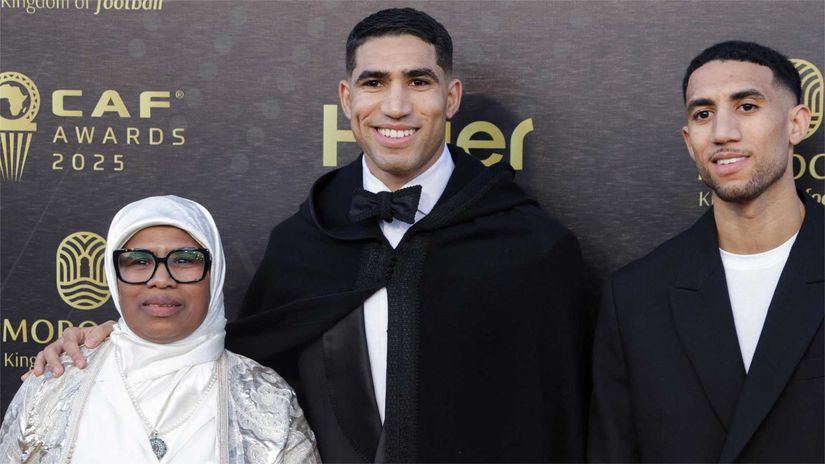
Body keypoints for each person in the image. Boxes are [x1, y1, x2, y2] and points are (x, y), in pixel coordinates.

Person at [33, 8, 591, 463]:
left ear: (451, 97)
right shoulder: (302, 243)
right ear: (347, 99)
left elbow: (569, 412)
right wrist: (112, 341)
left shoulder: (533, 247)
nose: (395, 105)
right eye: (375, 82)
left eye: (418, 82)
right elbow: (225, 372)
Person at [588, 40, 823, 462]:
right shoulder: (636, 298)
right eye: (703, 114)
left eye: (747, 107)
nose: (722, 133)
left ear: (797, 123)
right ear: (687, 139)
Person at [2, 195, 319, 463]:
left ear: (216, 273)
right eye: (138, 261)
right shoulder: (55, 383)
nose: (161, 278)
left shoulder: (266, 398)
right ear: (115, 278)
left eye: (185, 260)